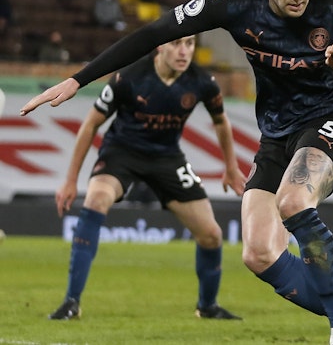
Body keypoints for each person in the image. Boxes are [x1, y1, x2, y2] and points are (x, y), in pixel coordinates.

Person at [22, 0, 333, 345]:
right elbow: (155, 32)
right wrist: (79, 79)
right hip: (277, 133)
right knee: (259, 254)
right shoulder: (233, 1)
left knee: (293, 202)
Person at [48, 35, 246, 320]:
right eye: (177, 43)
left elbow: (221, 121)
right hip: (122, 152)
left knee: (211, 234)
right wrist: (70, 180)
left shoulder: (202, 81)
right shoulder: (128, 77)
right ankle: (71, 302)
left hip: (167, 158)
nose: (184, 51)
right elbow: (90, 124)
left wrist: (231, 167)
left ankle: (207, 306)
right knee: (97, 199)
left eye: (190, 44)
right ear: (160, 45)